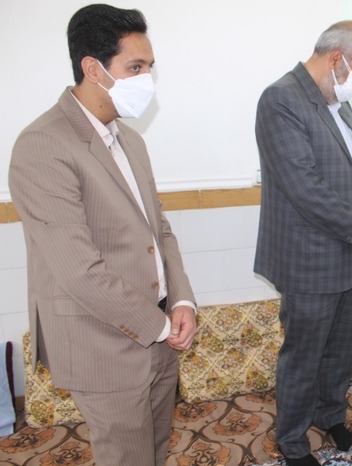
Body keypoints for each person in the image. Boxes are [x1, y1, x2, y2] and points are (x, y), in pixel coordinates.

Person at [8, 5, 197, 465]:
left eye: (150, 67)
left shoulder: (131, 140)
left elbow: (159, 230)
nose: (147, 79)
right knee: (128, 458)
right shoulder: (43, 144)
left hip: (158, 330)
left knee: (153, 451)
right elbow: (78, 270)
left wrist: (183, 302)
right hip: (103, 342)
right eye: (135, 67)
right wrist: (158, 326)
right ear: (93, 69)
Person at [254, 20, 352, 466]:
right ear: (336, 59)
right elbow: (304, 187)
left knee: (340, 350)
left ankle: (330, 414)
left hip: (349, 256)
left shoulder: (338, 103)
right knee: (304, 357)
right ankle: (292, 441)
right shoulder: (281, 100)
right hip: (309, 261)